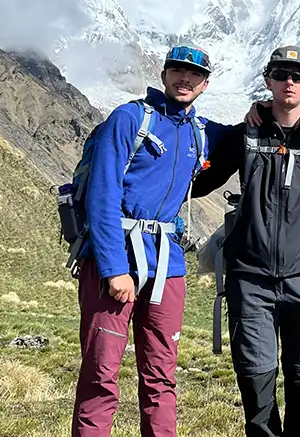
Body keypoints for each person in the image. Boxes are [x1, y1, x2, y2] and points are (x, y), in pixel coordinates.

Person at [189, 45, 300, 437]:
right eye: (281, 74)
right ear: (267, 80)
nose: (289, 82)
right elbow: (200, 183)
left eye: (298, 76)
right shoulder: (246, 134)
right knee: (255, 381)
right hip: (250, 279)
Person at [71, 45, 228, 437]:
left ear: (205, 84)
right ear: (163, 73)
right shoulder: (130, 118)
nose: (184, 78)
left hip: (167, 266)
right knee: (100, 375)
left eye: (194, 74)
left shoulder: (200, 131)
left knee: (161, 376)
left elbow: (248, 133)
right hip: (116, 261)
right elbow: (102, 196)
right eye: (177, 69)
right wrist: (113, 269)